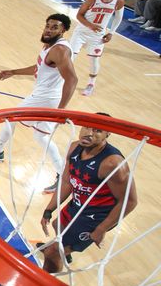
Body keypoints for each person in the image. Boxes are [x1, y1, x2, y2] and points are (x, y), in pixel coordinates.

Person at [39, 113, 137, 273]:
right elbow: (66, 181)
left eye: (97, 130)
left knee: (52, 252)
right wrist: (49, 209)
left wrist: (101, 229)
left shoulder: (112, 164)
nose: (88, 133)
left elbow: (129, 201)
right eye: (86, 127)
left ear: (108, 134)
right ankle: (66, 251)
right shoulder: (74, 147)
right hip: (78, 204)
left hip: (96, 217)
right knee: (57, 225)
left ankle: (44, 282)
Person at [0, 14, 77, 193]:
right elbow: (38, 67)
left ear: (63, 31)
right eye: (47, 25)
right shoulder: (50, 47)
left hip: (45, 98)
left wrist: (61, 111)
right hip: (47, 96)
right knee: (41, 137)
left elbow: (73, 79)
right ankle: (63, 174)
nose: (49, 29)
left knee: (9, 118)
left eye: (55, 27)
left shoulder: (59, 50)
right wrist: (14, 71)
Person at [68, 0, 125, 97]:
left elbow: (118, 19)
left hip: (97, 36)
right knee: (70, 57)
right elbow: (79, 15)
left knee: (94, 60)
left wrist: (111, 33)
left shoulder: (119, 1)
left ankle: (91, 84)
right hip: (81, 33)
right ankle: (63, 80)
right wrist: (90, 25)